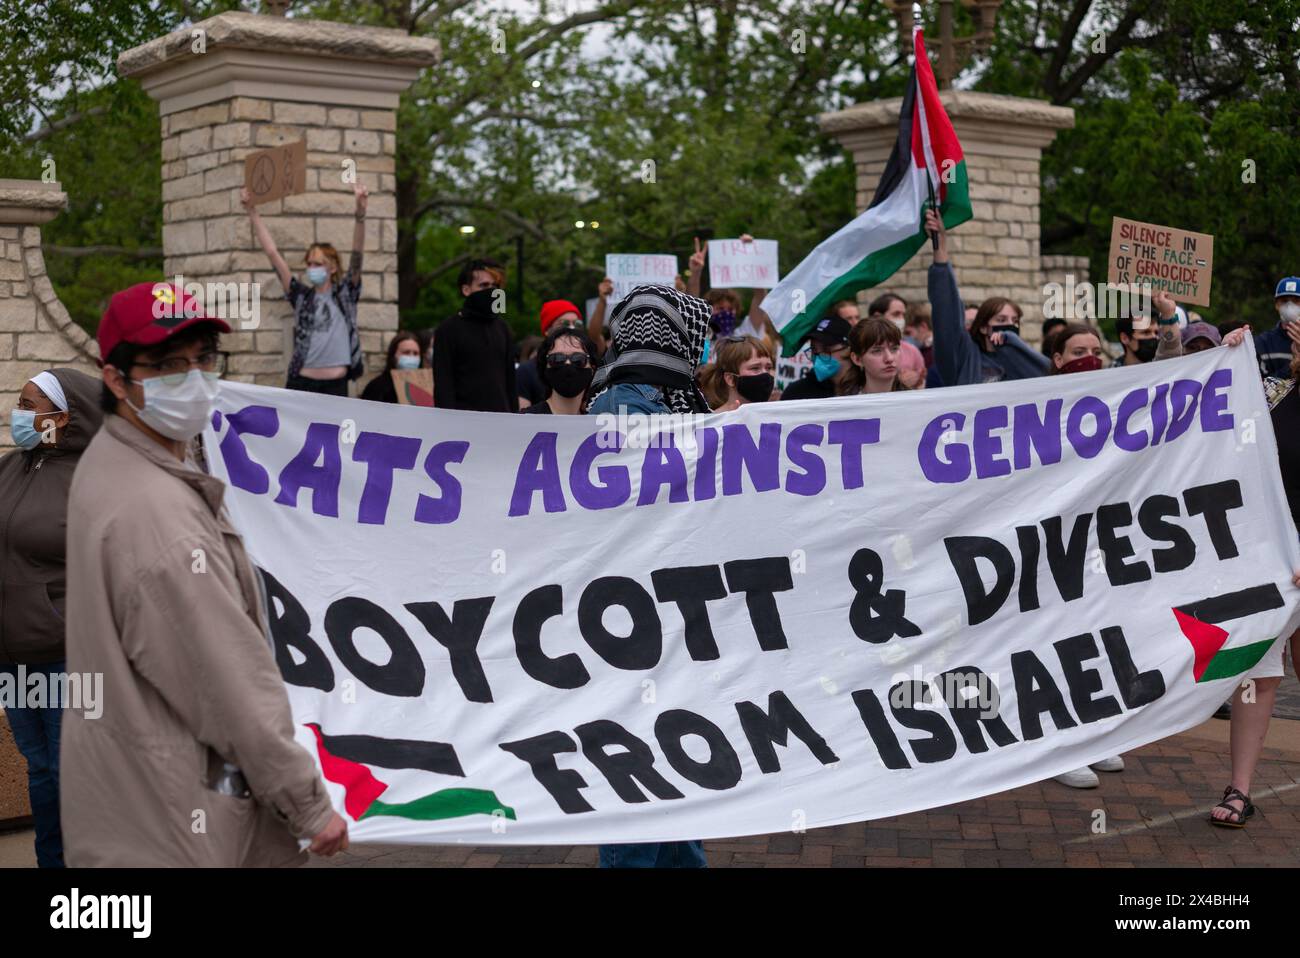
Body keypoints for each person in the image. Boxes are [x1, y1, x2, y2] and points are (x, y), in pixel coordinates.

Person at [61, 281, 348, 866]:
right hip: (179, 825)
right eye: (168, 365)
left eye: (203, 360)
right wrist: (308, 805)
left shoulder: (120, 463)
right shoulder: (159, 516)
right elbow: (228, 682)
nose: (193, 379)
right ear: (116, 379)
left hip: (135, 807)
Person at [584, 284, 709, 867]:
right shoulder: (625, 404)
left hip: (667, 601)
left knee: (670, 748)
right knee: (637, 747)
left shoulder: (661, 398)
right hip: (635, 607)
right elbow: (631, 509)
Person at [0, 368, 102, 867]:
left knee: (73, 773)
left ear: (63, 418)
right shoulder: (10, 467)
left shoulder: (95, 480)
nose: (19, 415)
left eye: (29, 405)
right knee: (39, 769)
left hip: (67, 656)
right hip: (12, 657)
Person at [1208, 331, 1300, 826]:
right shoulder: (1276, 393)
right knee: (1256, 672)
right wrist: (1228, 355)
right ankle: (1239, 789)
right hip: (1267, 556)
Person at [242, 184, 368, 396]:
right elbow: (273, 254)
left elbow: (357, 254)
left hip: (336, 386)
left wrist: (360, 213)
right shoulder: (301, 296)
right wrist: (252, 211)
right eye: (309, 264)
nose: (312, 268)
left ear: (333, 267)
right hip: (301, 383)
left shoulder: (345, 294)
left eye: (318, 264)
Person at [926, 208, 1048, 386]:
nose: (1010, 325)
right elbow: (947, 312)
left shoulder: (1022, 358)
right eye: (1001, 319)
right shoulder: (965, 358)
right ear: (983, 327)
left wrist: (1014, 345)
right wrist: (941, 251)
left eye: (1015, 320)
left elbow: (1052, 377)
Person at [433, 258, 517, 412]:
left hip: (501, 421)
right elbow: (443, 384)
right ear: (466, 290)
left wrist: (514, 418)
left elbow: (510, 382)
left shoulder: (503, 328)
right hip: (463, 423)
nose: (491, 291)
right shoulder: (448, 330)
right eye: (484, 285)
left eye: (495, 286)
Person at [521, 325, 598, 415]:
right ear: (545, 367)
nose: (568, 363)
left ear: (592, 368)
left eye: (578, 359)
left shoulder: (597, 423)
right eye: (557, 359)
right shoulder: (524, 421)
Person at [779, 315, 853, 401]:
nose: (818, 356)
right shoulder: (797, 392)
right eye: (813, 349)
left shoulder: (866, 386)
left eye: (826, 348)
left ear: (848, 349)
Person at [837, 317, 911, 395]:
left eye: (894, 349)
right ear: (857, 359)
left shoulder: (913, 401)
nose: (889, 358)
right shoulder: (844, 404)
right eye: (877, 351)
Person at [701, 335, 776, 410]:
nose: (765, 373)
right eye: (755, 368)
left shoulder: (776, 416)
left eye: (768, 368)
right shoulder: (714, 420)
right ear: (730, 379)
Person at [360, 331, 424, 404]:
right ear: (393, 356)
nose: (411, 357)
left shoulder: (426, 387)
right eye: (406, 352)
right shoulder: (377, 387)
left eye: (415, 353)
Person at [1256, 276, 1300, 379]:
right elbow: (1261, 389)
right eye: (1284, 301)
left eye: (1296, 300)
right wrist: (1291, 368)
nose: (1290, 306)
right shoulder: (1263, 343)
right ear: (1276, 305)